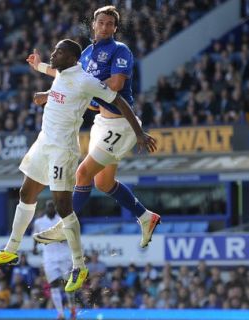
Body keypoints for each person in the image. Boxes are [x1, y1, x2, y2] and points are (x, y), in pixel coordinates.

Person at [0, 39, 156, 294]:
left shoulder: (85, 80)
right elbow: (61, 85)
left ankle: (79, 266)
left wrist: (139, 132)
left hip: (63, 149)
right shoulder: (64, 73)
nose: (54, 53)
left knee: (64, 206)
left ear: (72, 58)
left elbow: (118, 99)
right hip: (43, 143)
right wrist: (45, 85)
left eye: (59, 52)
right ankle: (10, 251)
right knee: (25, 193)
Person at [29, 5, 161, 249]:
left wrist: (86, 92)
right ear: (93, 24)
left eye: (110, 24)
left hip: (120, 125)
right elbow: (66, 77)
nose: (104, 27)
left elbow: (115, 84)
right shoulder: (87, 52)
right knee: (103, 183)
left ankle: (64, 224)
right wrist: (39, 67)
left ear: (115, 28)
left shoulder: (120, 50)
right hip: (102, 123)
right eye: (101, 22)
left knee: (82, 174)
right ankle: (146, 217)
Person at [33, 200, 76, 320]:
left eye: (52, 206)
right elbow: (35, 236)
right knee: (53, 284)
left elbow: (70, 235)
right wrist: (34, 247)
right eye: (49, 206)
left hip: (64, 256)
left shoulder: (62, 220)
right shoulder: (39, 222)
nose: (51, 208)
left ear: (55, 208)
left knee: (68, 284)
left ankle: (72, 307)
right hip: (49, 257)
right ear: (46, 208)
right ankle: (61, 313)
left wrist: (62, 237)